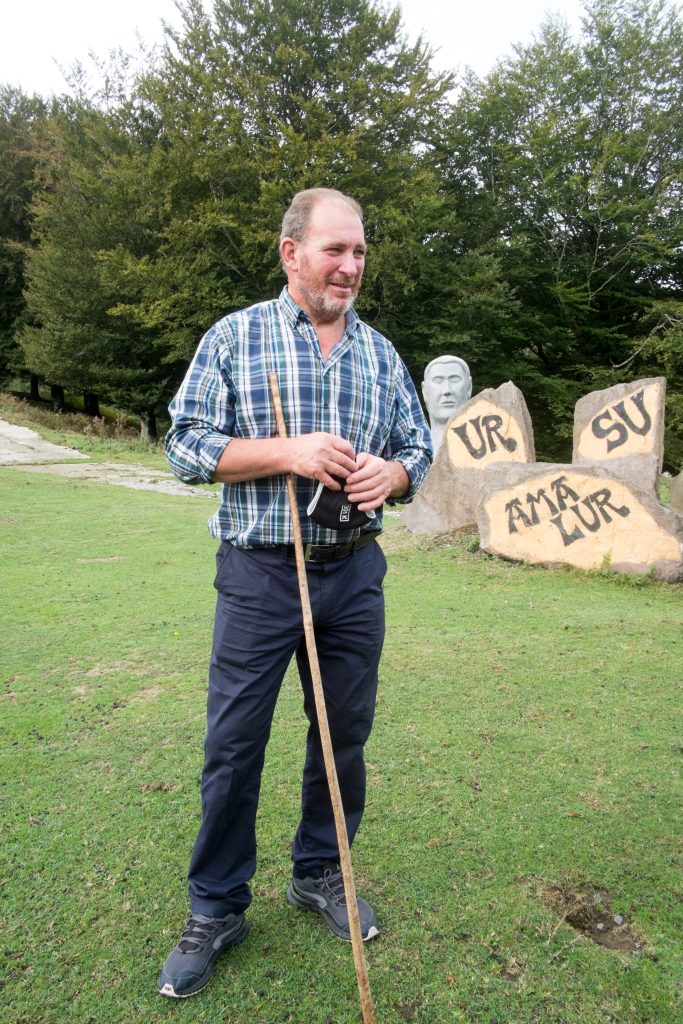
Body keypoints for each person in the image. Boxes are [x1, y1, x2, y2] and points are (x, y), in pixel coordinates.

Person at [158, 187, 433, 998]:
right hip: (260, 574)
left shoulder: (380, 354)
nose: (348, 267)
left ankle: (319, 873)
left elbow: (417, 441)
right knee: (234, 745)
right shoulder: (235, 338)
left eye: (358, 253)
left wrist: (400, 471)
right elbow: (184, 445)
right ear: (291, 253)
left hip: (352, 576)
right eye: (333, 251)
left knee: (341, 737)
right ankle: (216, 904)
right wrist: (288, 450)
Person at [421, 355, 472, 452]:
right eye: (438, 380)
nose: (447, 390)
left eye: (454, 379)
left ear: (469, 387)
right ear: (424, 391)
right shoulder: (412, 454)